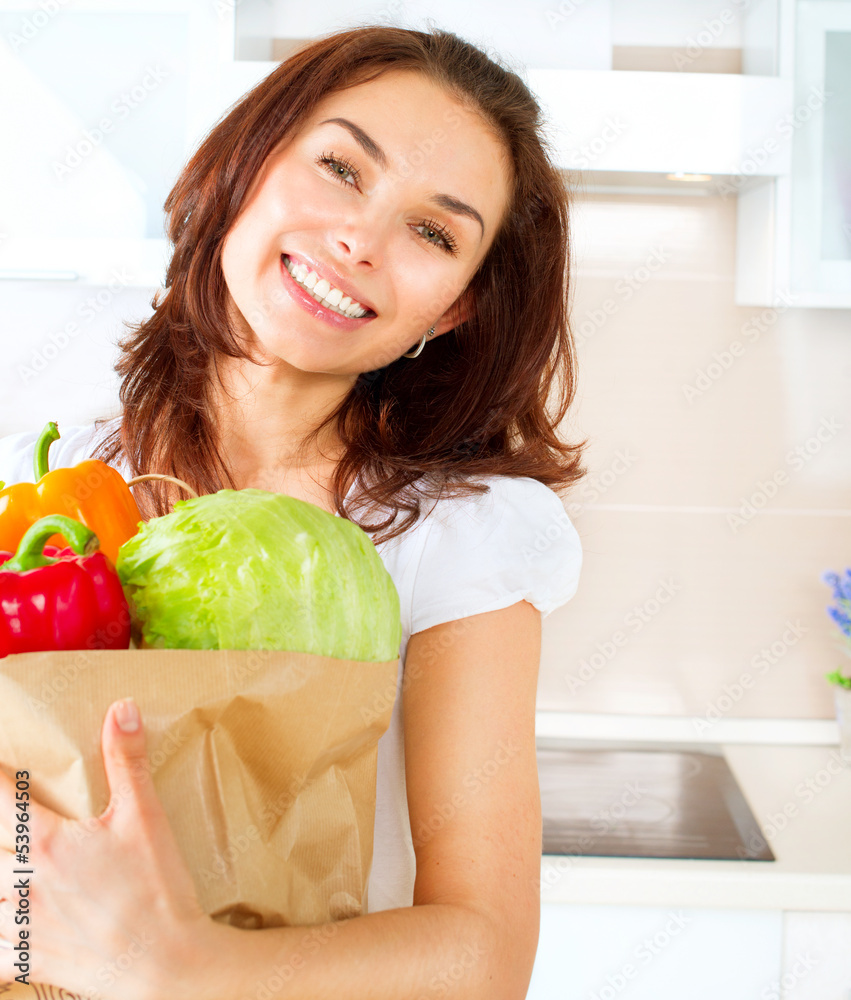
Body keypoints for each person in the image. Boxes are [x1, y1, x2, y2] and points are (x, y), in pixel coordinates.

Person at [0, 24, 585, 1000]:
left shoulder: (460, 534)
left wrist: (176, 969)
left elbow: (483, 957)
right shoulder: (48, 477)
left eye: (433, 232)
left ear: (452, 309)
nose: (358, 240)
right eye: (340, 169)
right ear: (247, 164)